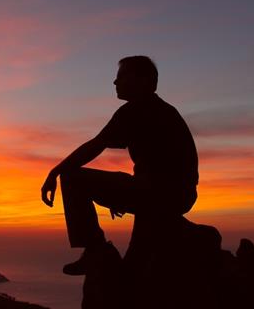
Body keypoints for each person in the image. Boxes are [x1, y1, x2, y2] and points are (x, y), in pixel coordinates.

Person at [40, 55, 198, 275]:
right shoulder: (158, 110)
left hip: (160, 193)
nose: (115, 82)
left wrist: (55, 172)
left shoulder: (138, 109)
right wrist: (124, 193)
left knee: (73, 178)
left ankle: (95, 250)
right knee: (133, 270)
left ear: (143, 80)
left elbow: (96, 145)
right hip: (173, 195)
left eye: (121, 76)